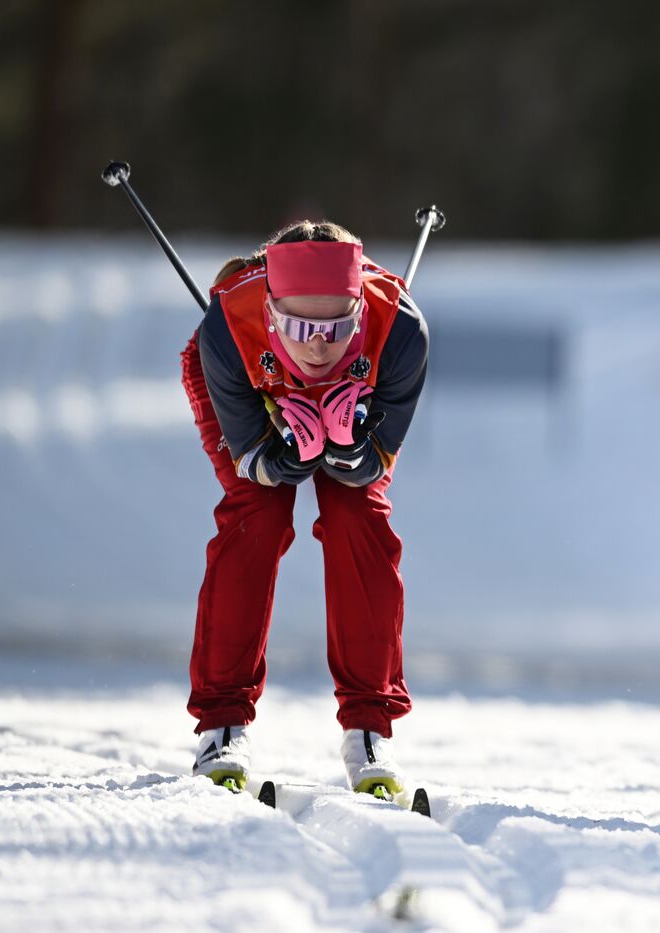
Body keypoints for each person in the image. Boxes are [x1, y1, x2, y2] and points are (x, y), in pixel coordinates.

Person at [179, 221, 429, 798]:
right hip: (251, 387)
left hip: (354, 402)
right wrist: (278, 457)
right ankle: (222, 726)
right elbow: (253, 462)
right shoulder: (228, 329)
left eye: (337, 328)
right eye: (298, 327)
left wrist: (351, 451)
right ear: (271, 313)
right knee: (257, 515)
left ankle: (369, 730)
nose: (317, 346)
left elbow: (375, 463)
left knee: (358, 518)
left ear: (359, 312)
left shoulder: (400, 331)